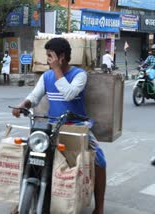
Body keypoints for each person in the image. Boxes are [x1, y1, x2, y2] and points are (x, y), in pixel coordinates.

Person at [11, 38, 106, 214]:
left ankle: (99, 207)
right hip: (52, 125)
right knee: (29, 155)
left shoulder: (79, 74)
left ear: (61, 57)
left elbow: (69, 94)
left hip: (77, 126)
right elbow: (34, 96)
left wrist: (56, 70)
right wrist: (23, 104)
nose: (47, 60)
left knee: (100, 160)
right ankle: (22, 199)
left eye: (50, 56)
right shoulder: (47, 77)